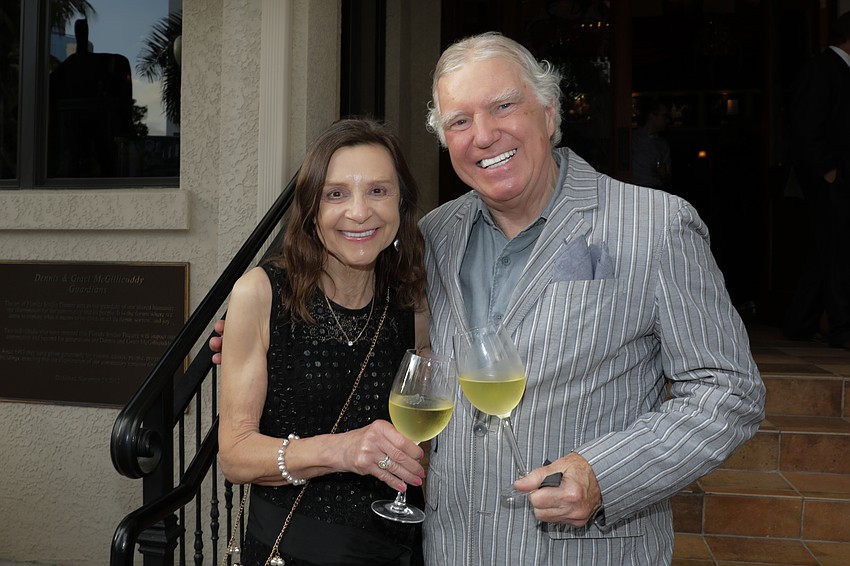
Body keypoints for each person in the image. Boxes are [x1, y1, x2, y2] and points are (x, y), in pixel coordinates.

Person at [418, 32, 764, 565]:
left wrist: (606, 475)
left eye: (503, 106)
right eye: (459, 121)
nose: (483, 135)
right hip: (454, 549)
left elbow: (728, 391)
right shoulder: (435, 236)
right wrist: (266, 316)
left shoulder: (655, 225)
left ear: (549, 112)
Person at [217, 118, 430, 566]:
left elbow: (424, 438)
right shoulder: (261, 293)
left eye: (378, 191)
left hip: (392, 549)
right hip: (290, 550)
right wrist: (345, 450)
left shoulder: (413, 303)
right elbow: (234, 456)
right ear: (312, 210)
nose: (359, 212)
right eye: (336, 194)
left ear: (402, 203)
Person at [783, 11, 850, 349]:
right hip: (830, 179)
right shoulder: (820, 69)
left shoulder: (840, 70)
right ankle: (841, 326)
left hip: (838, 178)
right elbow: (805, 124)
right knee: (838, 251)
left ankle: (799, 321)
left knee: (825, 251)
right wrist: (827, 169)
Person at [630, 96, 673, 189]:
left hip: (656, 192)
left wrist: (664, 175)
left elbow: (668, 179)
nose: (667, 120)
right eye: (664, 116)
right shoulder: (633, 140)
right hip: (635, 191)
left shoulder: (663, 145)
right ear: (652, 116)